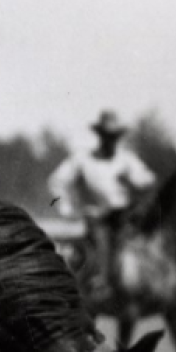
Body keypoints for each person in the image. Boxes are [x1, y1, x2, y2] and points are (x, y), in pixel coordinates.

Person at [48, 110, 157, 293]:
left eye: (114, 137)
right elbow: (56, 182)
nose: (110, 141)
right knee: (102, 241)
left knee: (148, 241)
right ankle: (102, 283)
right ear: (99, 136)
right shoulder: (83, 159)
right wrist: (66, 207)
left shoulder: (126, 159)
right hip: (96, 216)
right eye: (107, 136)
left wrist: (135, 184)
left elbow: (147, 180)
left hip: (125, 215)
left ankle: (152, 285)